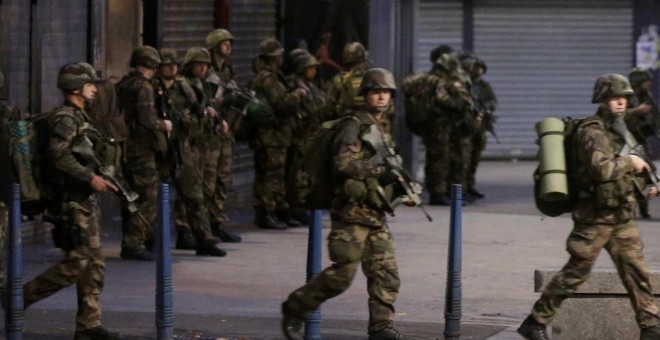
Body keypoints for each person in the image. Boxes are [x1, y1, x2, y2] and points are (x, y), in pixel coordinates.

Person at [517, 74, 660, 340]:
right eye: (614, 98)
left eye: (624, 98)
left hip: (620, 216)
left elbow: (622, 176)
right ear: (602, 100)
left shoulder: (620, 129)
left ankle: (650, 328)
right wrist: (631, 162)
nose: (620, 103)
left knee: (637, 271)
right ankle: (536, 321)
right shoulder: (592, 131)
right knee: (575, 273)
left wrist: (644, 189)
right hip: (594, 217)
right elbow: (602, 170)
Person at [281, 68, 411, 340]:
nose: (381, 97)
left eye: (385, 92)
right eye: (375, 91)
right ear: (365, 95)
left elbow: (387, 168)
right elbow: (343, 164)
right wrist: (378, 171)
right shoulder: (353, 124)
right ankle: (296, 306)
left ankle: (381, 327)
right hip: (351, 214)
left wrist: (399, 187)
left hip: (375, 214)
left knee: (386, 274)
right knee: (342, 275)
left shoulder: (383, 127)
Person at [22, 62, 122, 340]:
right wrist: (90, 179)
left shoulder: (81, 117)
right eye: (90, 85)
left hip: (82, 200)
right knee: (77, 262)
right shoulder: (66, 118)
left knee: (94, 263)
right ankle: (20, 298)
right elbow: (59, 155)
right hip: (69, 201)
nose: (94, 89)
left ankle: (89, 325)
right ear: (77, 88)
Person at [155, 48, 227, 257]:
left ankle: (204, 238)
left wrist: (195, 120)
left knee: (194, 195)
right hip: (158, 149)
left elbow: (199, 114)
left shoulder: (185, 88)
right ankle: (142, 239)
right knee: (149, 197)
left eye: (174, 64)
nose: (171, 68)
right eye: (167, 65)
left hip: (181, 146)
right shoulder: (151, 88)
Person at [115, 46, 172, 261]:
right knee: (148, 197)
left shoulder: (124, 84)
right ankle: (134, 242)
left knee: (129, 197)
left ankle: (136, 239)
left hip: (125, 149)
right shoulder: (144, 87)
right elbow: (147, 120)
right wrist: (164, 124)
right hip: (142, 149)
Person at [248, 38, 304, 230]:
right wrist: (298, 94)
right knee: (269, 176)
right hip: (270, 136)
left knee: (276, 176)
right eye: (279, 55)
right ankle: (266, 212)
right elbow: (281, 104)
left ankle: (277, 210)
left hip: (276, 135)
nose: (282, 57)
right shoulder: (267, 78)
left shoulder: (271, 76)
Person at [420, 45, 474, 206]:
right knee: (439, 159)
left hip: (443, 125)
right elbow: (444, 101)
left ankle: (444, 192)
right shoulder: (437, 80)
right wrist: (459, 103)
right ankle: (437, 194)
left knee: (445, 158)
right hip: (438, 125)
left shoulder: (436, 78)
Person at [204, 29, 243, 242]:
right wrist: (223, 101)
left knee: (223, 179)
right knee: (207, 180)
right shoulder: (204, 69)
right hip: (209, 134)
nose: (229, 46)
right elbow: (202, 101)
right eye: (224, 42)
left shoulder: (228, 70)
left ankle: (216, 221)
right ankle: (199, 226)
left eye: (230, 42)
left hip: (225, 133)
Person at [625, 67, 658, 219]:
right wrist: (636, 111)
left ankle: (643, 208)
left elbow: (655, 116)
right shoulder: (627, 97)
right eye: (646, 81)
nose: (649, 84)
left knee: (646, 172)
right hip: (626, 143)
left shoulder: (645, 96)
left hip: (640, 140)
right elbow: (618, 118)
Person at [463, 55, 497, 200]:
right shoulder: (464, 84)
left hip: (480, 126)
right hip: (467, 126)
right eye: (476, 68)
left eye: (481, 68)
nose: (478, 71)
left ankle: (469, 185)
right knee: (464, 158)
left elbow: (493, 101)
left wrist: (487, 109)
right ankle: (462, 187)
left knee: (474, 158)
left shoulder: (483, 86)